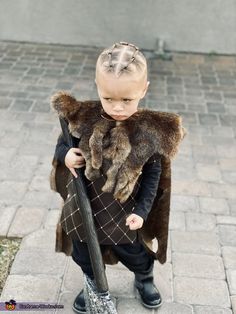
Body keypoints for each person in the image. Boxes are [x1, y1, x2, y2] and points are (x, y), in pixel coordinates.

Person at [51, 42, 185, 313]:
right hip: (87, 205)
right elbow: (62, 146)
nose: (118, 108)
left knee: (135, 254)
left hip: (124, 212)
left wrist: (142, 212)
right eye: (108, 98)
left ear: (143, 89)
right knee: (85, 253)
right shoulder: (83, 119)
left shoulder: (148, 133)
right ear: (98, 87)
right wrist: (66, 155)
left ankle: (144, 278)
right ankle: (92, 283)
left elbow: (152, 179)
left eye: (127, 100)